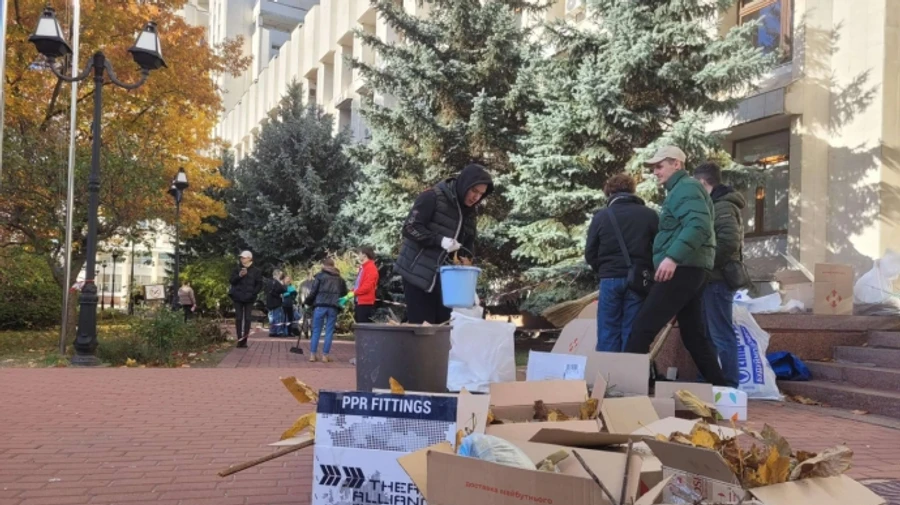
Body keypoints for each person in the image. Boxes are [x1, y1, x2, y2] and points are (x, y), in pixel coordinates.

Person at [622, 146, 728, 386]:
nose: (655, 172)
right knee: (694, 336)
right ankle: (723, 391)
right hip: (691, 268)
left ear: (676, 164)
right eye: (654, 168)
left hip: (682, 269)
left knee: (642, 328)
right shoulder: (685, 189)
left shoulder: (685, 188)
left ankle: (626, 390)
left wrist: (672, 258)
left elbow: (698, 226)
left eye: (659, 166)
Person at [394, 163, 494, 324]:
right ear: (464, 184)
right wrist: (439, 240)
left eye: (481, 194)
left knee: (444, 328)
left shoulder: (469, 213)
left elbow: (467, 245)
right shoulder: (432, 197)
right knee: (423, 328)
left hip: (447, 281)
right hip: (417, 275)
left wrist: (466, 264)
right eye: (474, 191)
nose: (476, 197)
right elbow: (410, 228)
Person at [585, 173, 658, 352]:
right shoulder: (649, 215)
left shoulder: (601, 217)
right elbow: (659, 248)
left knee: (607, 330)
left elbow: (590, 252)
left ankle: (607, 377)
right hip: (638, 280)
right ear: (633, 191)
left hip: (609, 279)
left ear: (609, 193)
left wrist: (603, 269)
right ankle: (629, 376)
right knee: (631, 330)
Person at [694, 162, 747, 388]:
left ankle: (728, 385)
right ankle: (710, 381)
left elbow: (727, 243)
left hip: (717, 280)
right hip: (710, 279)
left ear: (705, 183)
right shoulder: (715, 205)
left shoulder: (722, 207)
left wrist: (704, 262)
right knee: (708, 335)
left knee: (720, 334)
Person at [305, 258, 348, 362]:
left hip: (320, 305)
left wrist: (308, 302)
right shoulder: (340, 279)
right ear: (333, 266)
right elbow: (344, 293)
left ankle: (312, 355)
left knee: (316, 331)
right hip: (333, 306)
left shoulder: (319, 276)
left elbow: (313, 291)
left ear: (323, 265)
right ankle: (325, 355)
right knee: (329, 331)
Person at [229, 250, 263, 348]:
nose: (241, 259)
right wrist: (239, 275)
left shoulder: (256, 271)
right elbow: (231, 281)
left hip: (249, 298)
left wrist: (253, 293)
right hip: (238, 297)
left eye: (243, 257)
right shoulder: (237, 269)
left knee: (248, 318)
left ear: (249, 258)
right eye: (241, 258)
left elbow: (259, 284)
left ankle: (245, 340)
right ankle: (239, 339)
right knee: (238, 318)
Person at [343, 246, 380, 323]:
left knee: (364, 328)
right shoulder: (363, 268)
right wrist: (348, 296)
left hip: (365, 303)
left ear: (364, 255)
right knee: (360, 326)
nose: (358, 256)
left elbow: (367, 287)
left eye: (359, 253)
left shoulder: (370, 268)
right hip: (360, 302)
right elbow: (358, 286)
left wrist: (353, 293)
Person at [266, 270, 288, 337]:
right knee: (278, 317)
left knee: (271, 318)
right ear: (277, 275)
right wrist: (283, 283)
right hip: (276, 303)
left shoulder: (269, 282)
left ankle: (272, 331)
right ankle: (279, 331)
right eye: (280, 275)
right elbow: (284, 290)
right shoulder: (276, 282)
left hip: (269, 303)